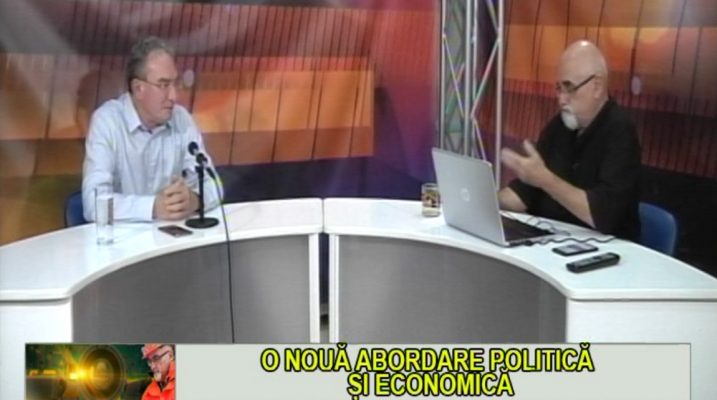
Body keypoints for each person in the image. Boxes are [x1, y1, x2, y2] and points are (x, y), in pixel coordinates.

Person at [498, 40, 641, 240]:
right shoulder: (558, 127)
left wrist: (545, 179)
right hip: (553, 242)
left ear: (597, 87)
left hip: (606, 249)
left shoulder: (621, 131)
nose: (561, 99)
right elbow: (522, 197)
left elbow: (603, 216)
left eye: (570, 88)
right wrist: (480, 200)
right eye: (558, 89)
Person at [82, 36, 221, 222]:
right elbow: (94, 204)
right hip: (123, 239)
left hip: (171, 236)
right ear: (138, 88)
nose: (174, 95)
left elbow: (215, 184)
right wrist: (153, 207)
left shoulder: (182, 119)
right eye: (164, 85)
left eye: (175, 83)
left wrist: (194, 200)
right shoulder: (107, 122)